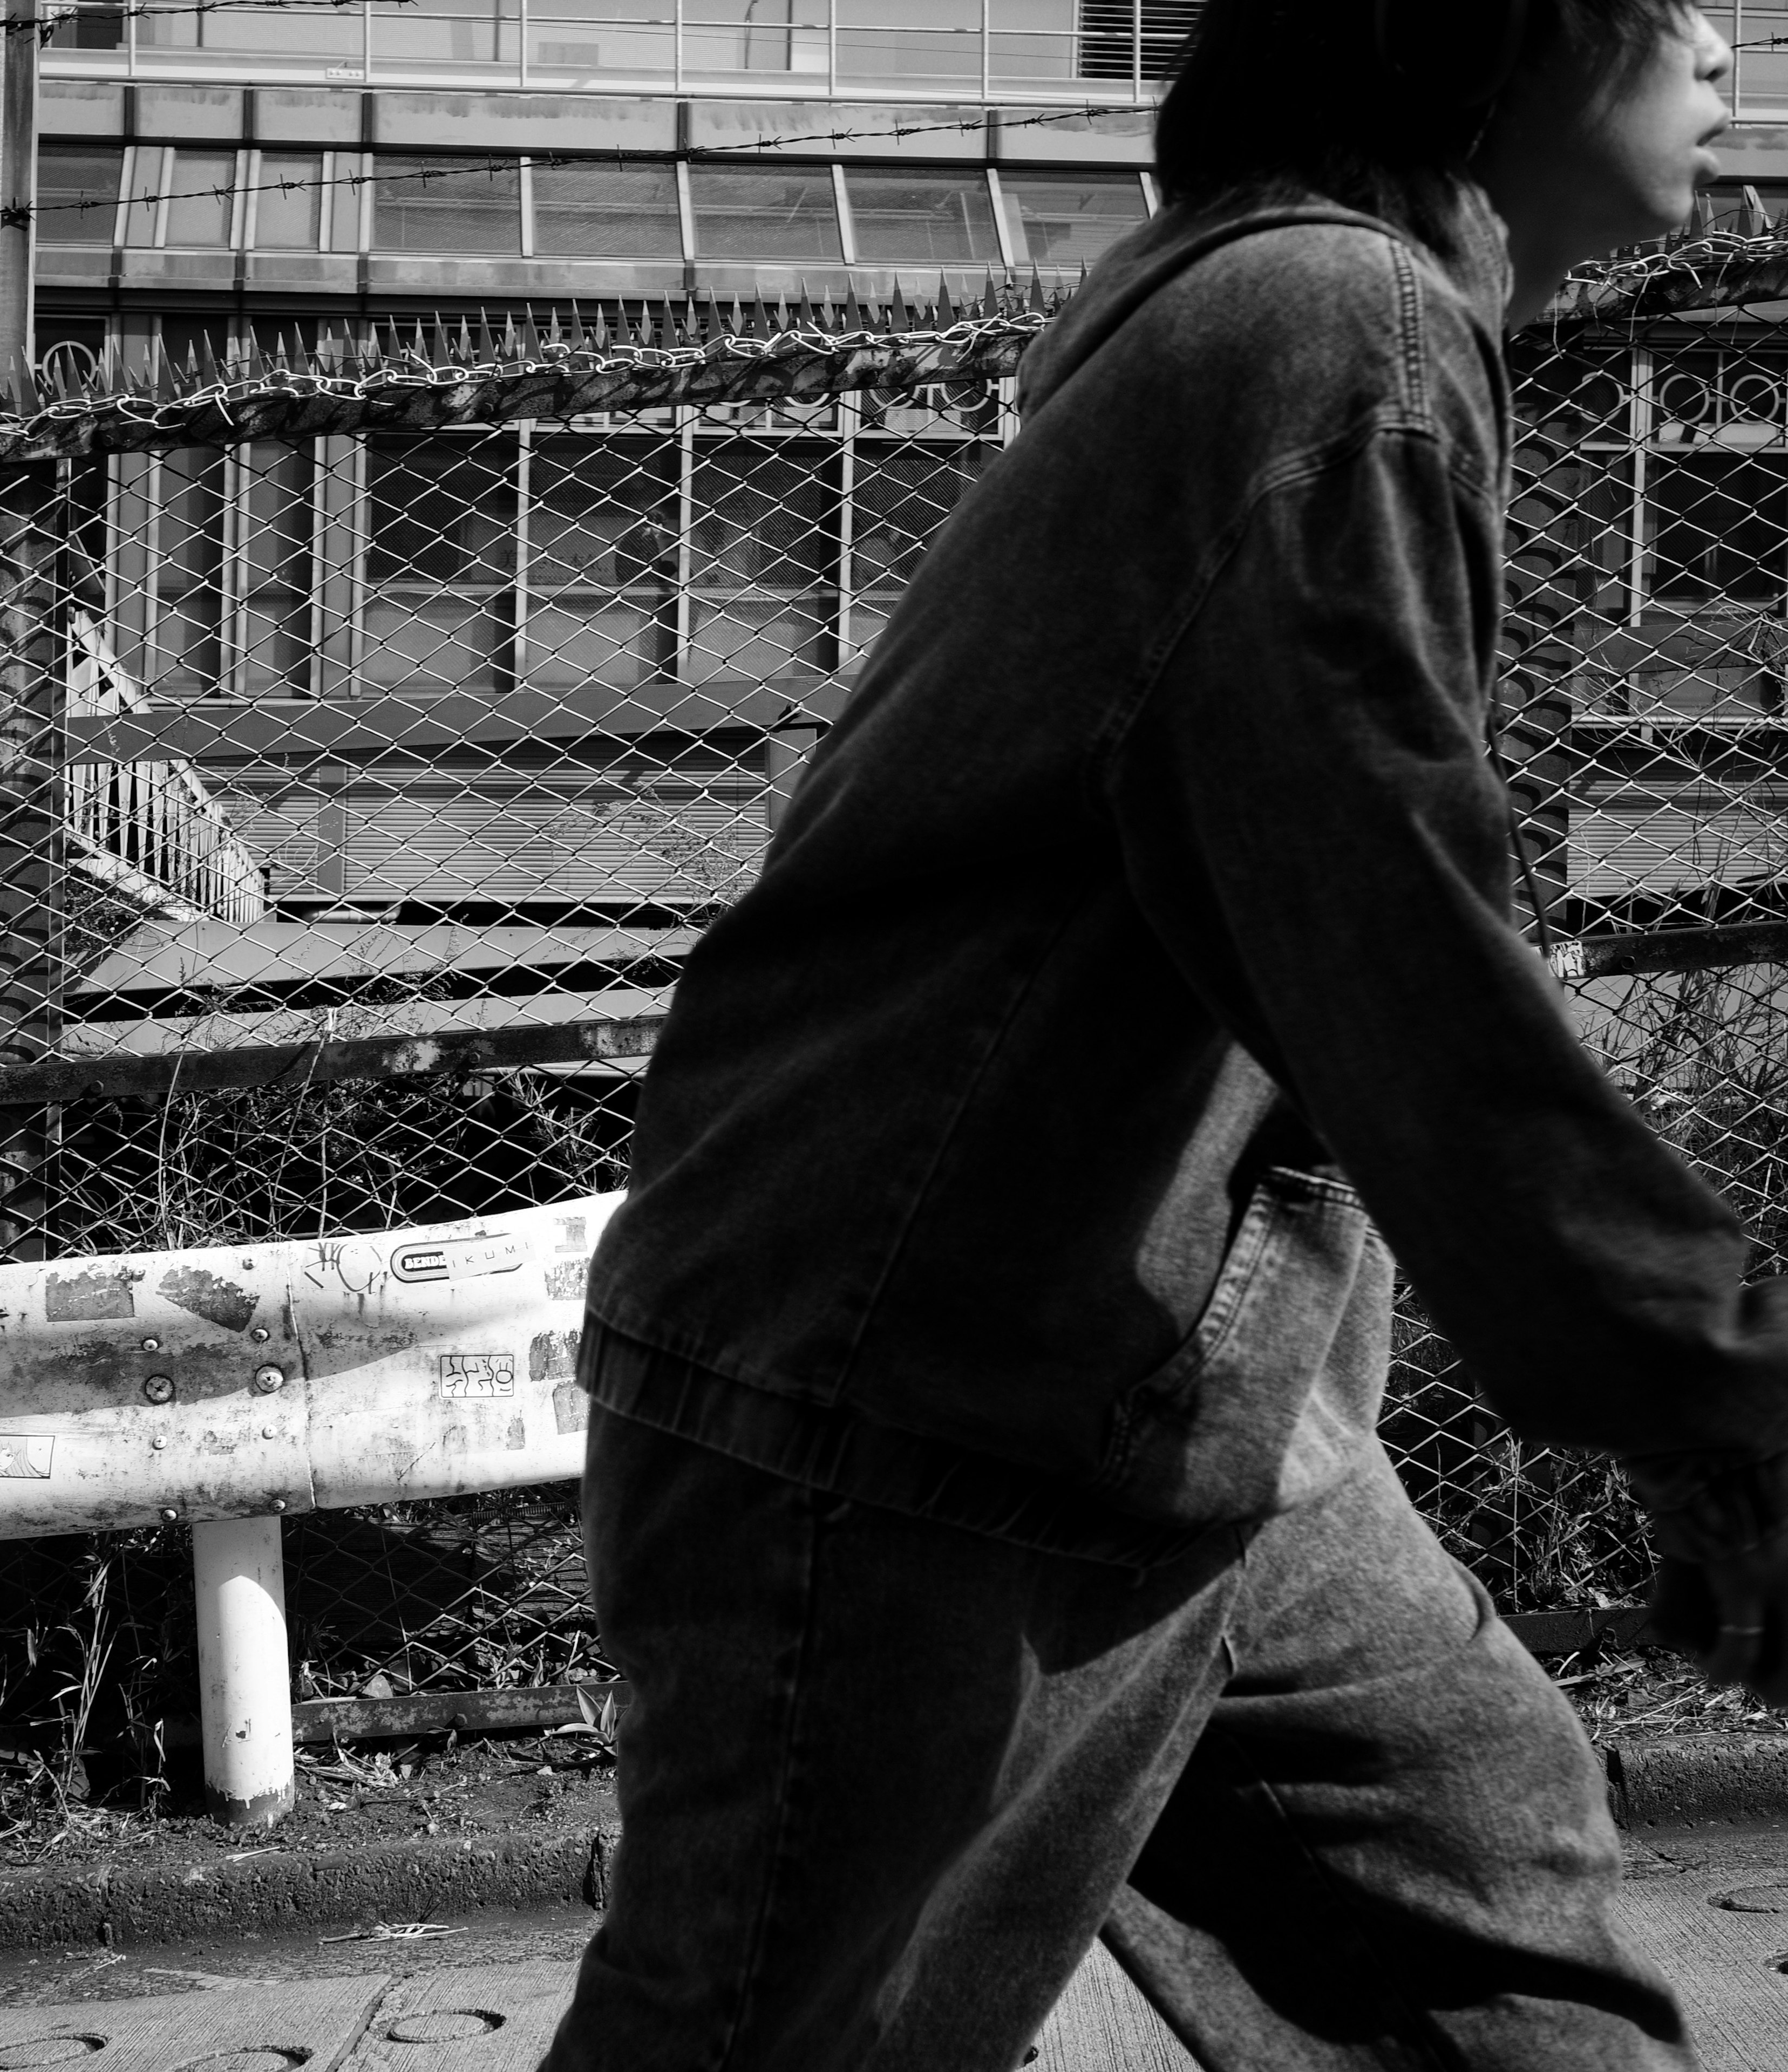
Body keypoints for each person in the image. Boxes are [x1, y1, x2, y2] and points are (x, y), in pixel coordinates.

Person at [541, 5, 1782, 2067]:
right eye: (1674, 6)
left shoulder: (1299, 317)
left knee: (1482, 1870)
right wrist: (1708, 1392)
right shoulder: (1336, 324)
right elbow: (1387, 923)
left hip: (1182, 1406)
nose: (1729, 52)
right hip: (930, 1400)